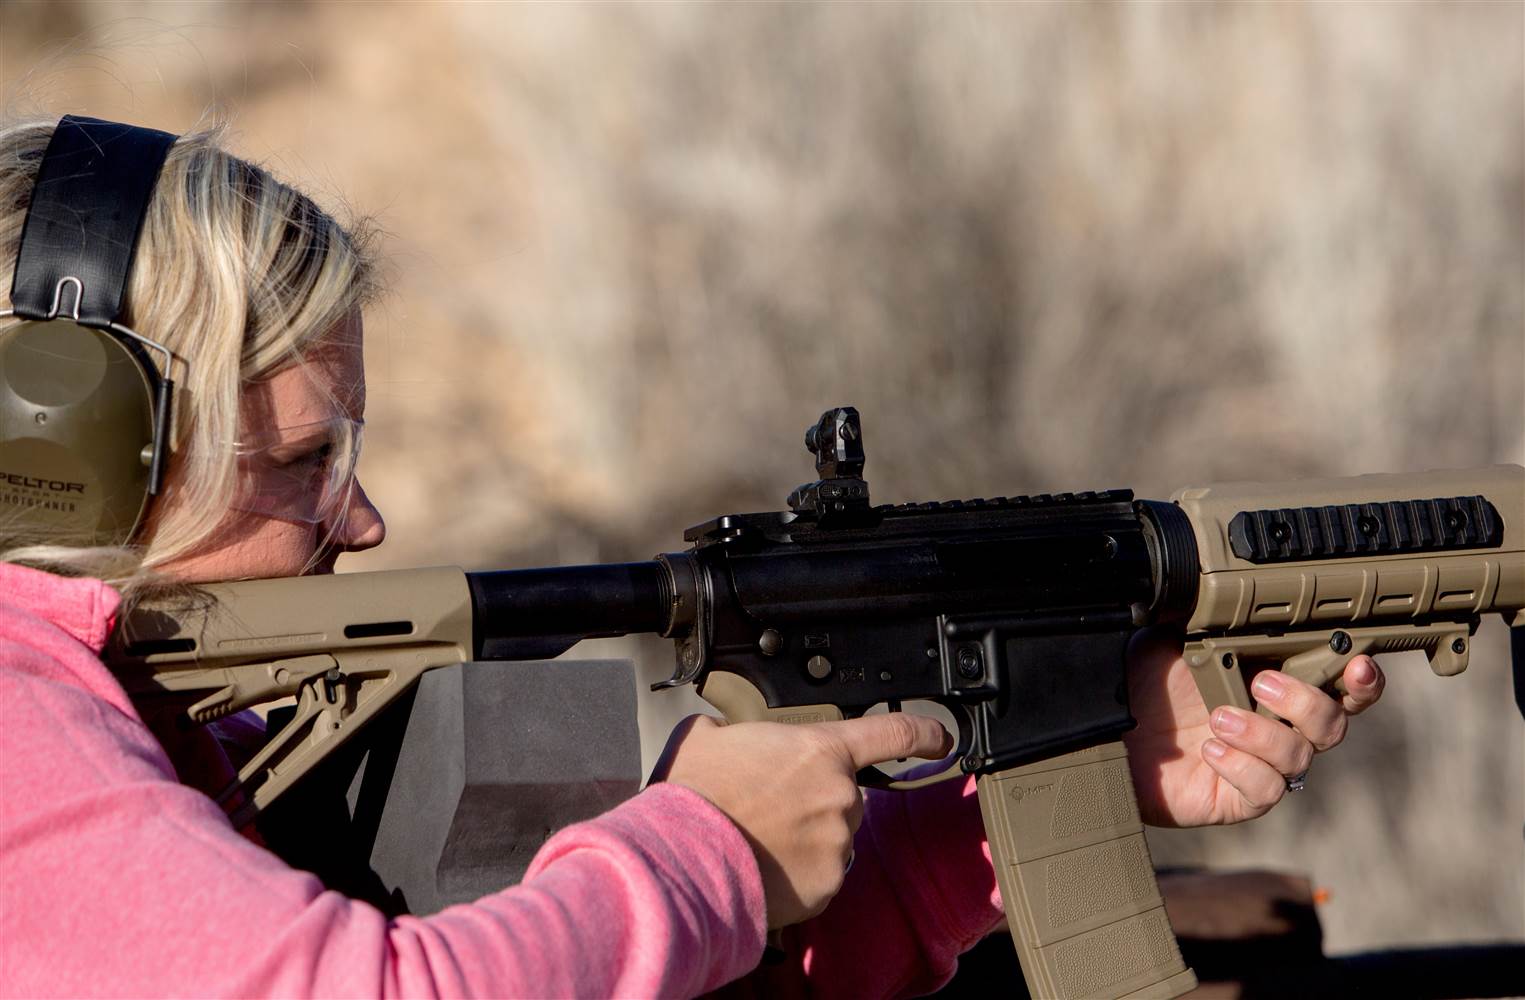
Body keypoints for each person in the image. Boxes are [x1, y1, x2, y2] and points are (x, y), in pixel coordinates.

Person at [0, 117, 1385, 998]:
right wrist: (705, 851)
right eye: (304, 460)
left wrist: (1036, 778)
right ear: (69, 441)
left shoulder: (135, 703)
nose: (361, 525)